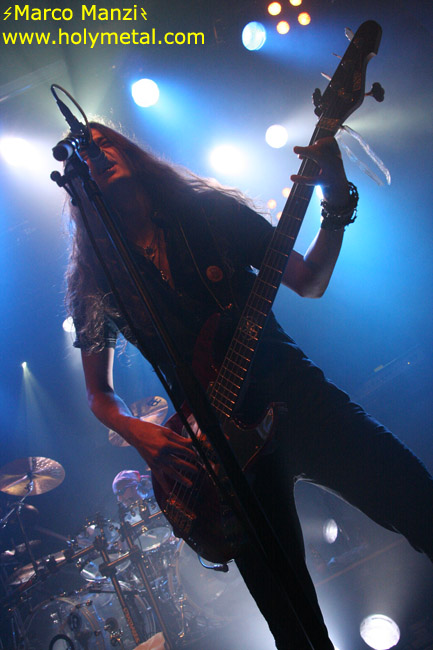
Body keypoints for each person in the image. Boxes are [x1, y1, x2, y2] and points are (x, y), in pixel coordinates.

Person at [65, 122, 433, 649]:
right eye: (84, 153)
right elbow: (98, 394)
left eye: (104, 141)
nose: (97, 153)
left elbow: (308, 280)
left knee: (416, 498)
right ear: (77, 185)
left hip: (296, 396)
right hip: (222, 454)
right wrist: (135, 431)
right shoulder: (97, 275)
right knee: (294, 625)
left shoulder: (205, 212)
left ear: (129, 151)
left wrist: (335, 201)